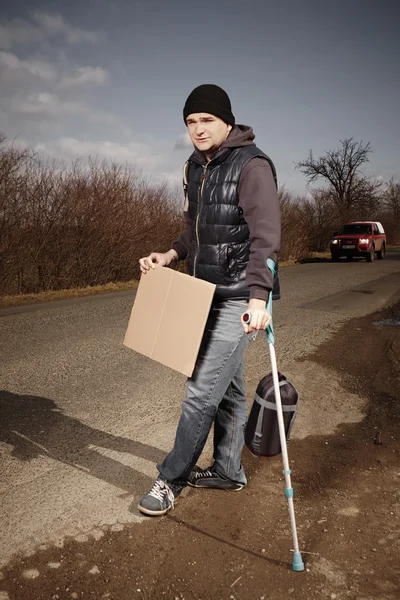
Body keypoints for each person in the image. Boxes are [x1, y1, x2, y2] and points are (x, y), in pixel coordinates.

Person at [137, 84, 281, 516]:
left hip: (240, 302)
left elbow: (266, 238)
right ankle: (228, 470)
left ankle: (170, 479)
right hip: (202, 294)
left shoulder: (251, 165)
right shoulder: (194, 168)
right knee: (230, 390)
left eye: (206, 120)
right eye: (190, 122)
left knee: (200, 392)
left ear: (227, 122)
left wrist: (259, 299)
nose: (197, 129)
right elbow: (194, 229)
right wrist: (171, 254)